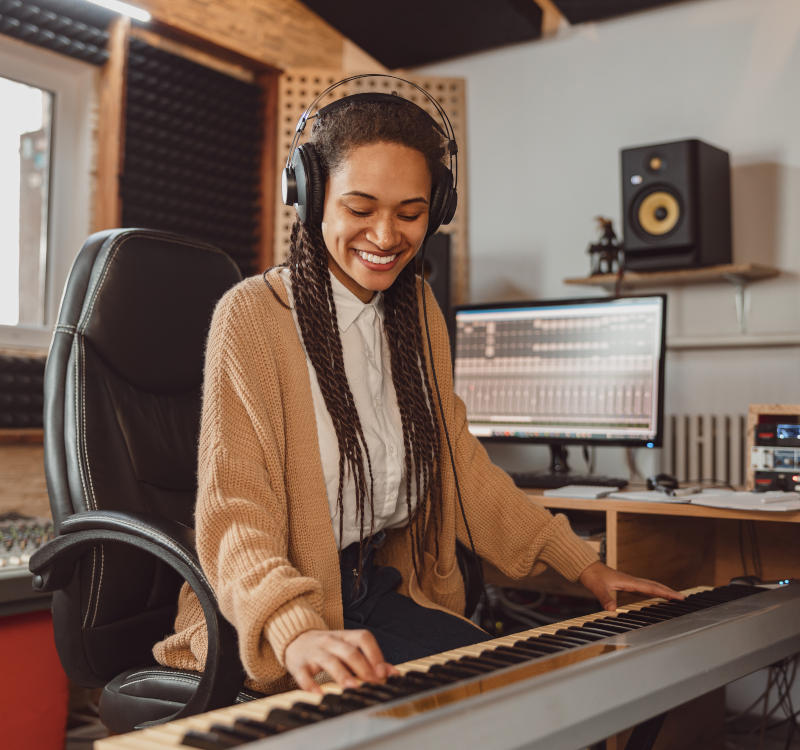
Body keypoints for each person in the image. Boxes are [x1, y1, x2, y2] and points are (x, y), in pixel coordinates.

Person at [153, 78, 682, 696]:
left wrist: (585, 567)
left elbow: (462, 468)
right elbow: (234, 512)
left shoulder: (416, 312)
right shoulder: (253, 317)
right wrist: (295, 629)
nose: (385, 236)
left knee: (527, 691)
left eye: (410, 213)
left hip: (370, 592)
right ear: (312, 195)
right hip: (266, 614)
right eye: (360, 208)